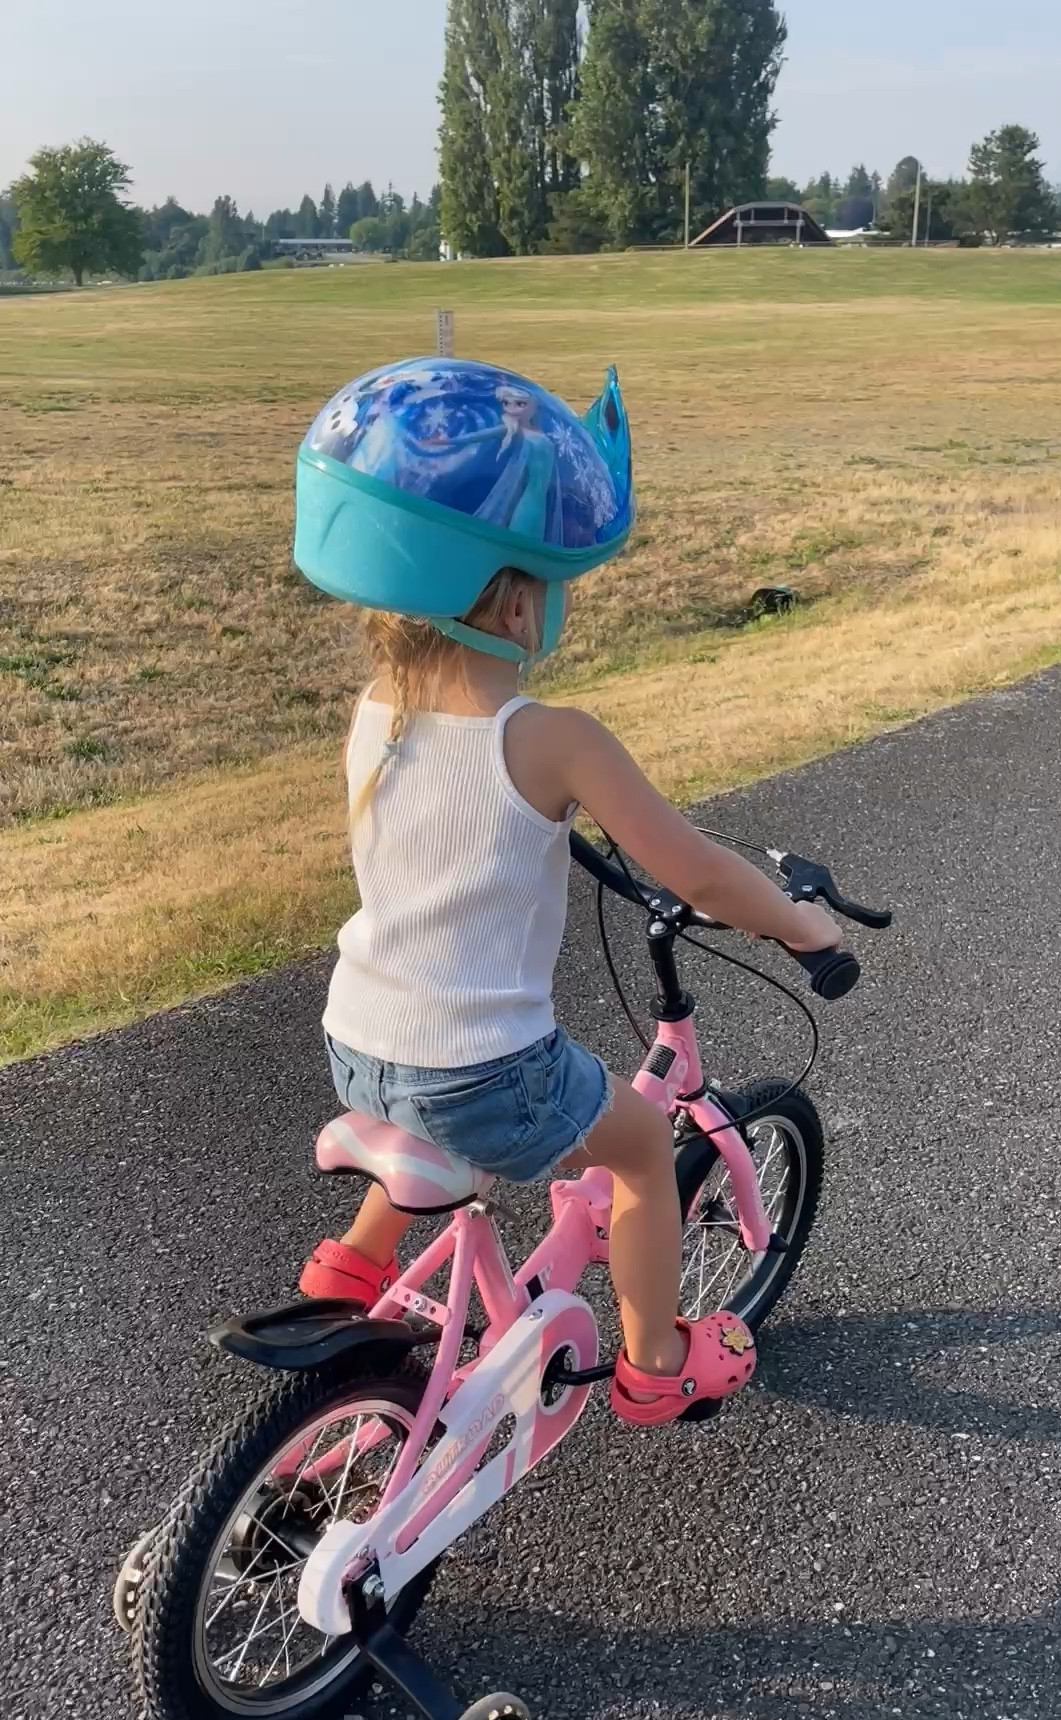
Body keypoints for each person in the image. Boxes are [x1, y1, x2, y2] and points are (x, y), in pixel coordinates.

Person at [292, 358, 840, 1428]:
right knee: (636, 1145)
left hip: (356, 1035)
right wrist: (799, 925)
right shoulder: (554, 739)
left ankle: (353, 1264)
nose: (561, 605)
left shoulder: (377, 708)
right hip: (482, 1070)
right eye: (555, 582)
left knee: (434, 1095)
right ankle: (654, 1362)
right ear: (506, 591)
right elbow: (698, 873)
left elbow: (451, 841)